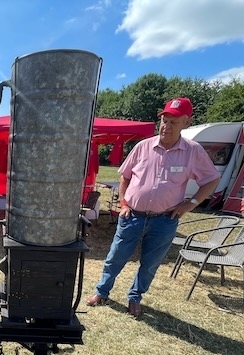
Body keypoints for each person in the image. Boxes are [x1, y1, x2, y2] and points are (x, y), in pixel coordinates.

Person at [86, 97, 220, 317]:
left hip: (164, 220)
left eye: (173, 122)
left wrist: (191, 203)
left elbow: (212, 179)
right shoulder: (143, 146)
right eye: (164, 121)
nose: (166, 126)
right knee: (115, 257)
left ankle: (135, 298)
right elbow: (125, 177)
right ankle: (102, 292)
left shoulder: (193, 151)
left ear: (187, 122)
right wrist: (123, 203)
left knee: (150, 264)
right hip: (132, 216)